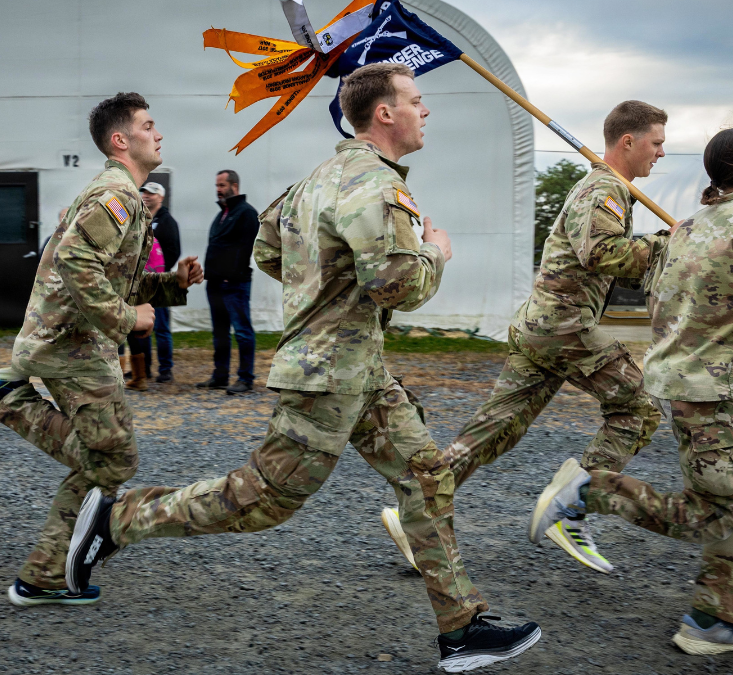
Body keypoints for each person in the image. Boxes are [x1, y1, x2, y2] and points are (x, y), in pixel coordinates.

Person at [67, 64, 544, 673]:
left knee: (427, 478)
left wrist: (321, 289)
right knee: (262, 500)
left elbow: (268, 248)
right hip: (328, 376)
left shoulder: (316, 180)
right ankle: (117, 519)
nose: (425, 112)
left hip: (359, 370)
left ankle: (462, 628)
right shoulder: (376, 185)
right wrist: (436, 251)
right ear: (385, 114)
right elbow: (397, 284)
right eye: (416, 101)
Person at [532, 126, 733, 656]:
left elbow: (659, 300)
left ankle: (713, 616)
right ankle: (588, 492)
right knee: (713, 513)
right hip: (706, 389)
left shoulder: (690, 227)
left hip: (686, 380)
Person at [385, 101, 671, 575]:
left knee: (494, 429)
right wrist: (666, 244)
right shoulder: (604, 188)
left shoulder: (609, 188)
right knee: (639, 408)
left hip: (544, 328)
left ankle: (417, 516)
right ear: (629, 141)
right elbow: (601, 252)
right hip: (564, 327)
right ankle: (573, 506)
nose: (661, 153)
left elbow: (608, 262)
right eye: (656, 143)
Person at [0, 92, 203, 607]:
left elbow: (113, 278)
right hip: (71, 347)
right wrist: (127, 318)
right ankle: (9, 404)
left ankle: (44, 573)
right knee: (114, 459)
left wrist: (172, 284)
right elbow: (76, 263)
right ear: (120, 140)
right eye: (149, 125)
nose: (159, 134)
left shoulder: (124, 196)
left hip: (71, 344)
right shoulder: (117, 195)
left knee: (110, 459)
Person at [197, 169, 258, 394]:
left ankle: (246, 379)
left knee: (242, 331)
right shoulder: (222, 214)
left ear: (235, 186)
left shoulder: (246, 213)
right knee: (220, 332)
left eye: (222, 185)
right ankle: (220, 376)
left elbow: (247, 248)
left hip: (234, 283)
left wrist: (230, 273)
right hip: (215, 283)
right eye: (217, 186)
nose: (218, 190)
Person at [124, 181, 182, 389]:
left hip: (160, 281)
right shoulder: (140, 218)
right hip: (140, 281)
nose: (147, 196)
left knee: (162, 327)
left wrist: (160, 273)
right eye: (145, 193)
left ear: (161, 197)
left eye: (152, 193)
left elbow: (174, 251)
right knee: (141, 324)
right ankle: (144, 369)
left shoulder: (168, 222)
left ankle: (165, 370)